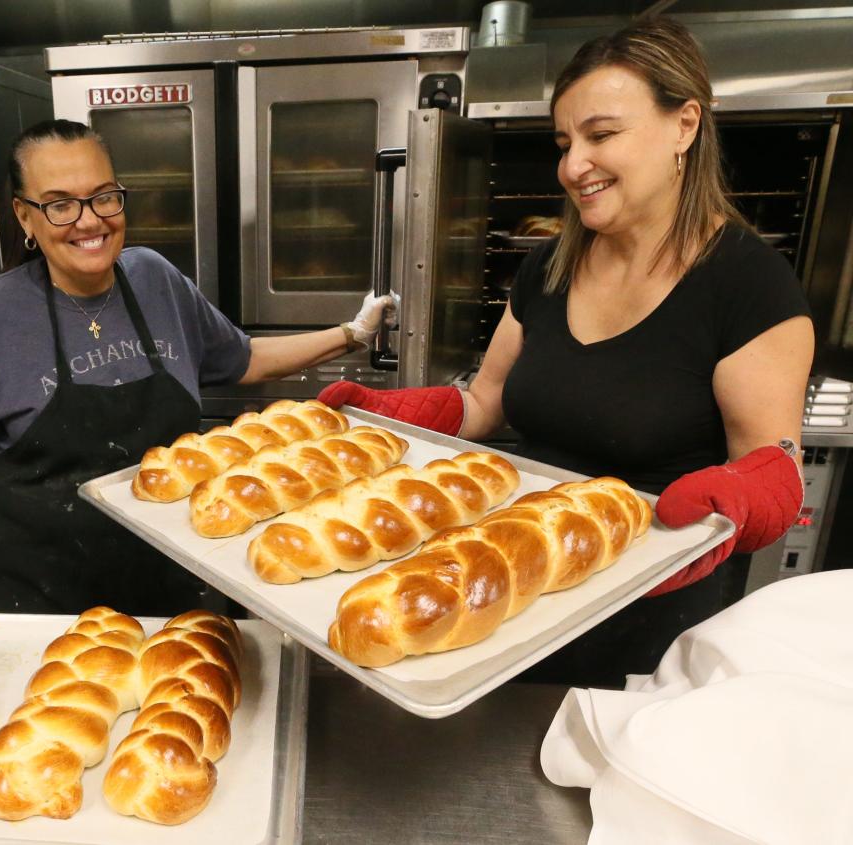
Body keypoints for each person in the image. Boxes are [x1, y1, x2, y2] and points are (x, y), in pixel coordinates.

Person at [319, 17, 814, 685]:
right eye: (564, 141)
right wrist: (390, 412)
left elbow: (773, 463)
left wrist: (737, 499)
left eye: (601, 135)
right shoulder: (550, 266)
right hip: (515, 580)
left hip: (646, 615)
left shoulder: (750, 284)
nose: (572, 164)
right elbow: (485, 402)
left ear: (685, 127)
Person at [0, 119, 395, 616]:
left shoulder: (154, 279)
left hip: (162, 578)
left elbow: (246, 358)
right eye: (60, 204)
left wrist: (352, 334)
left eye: (104, 196)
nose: (89, 221)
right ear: (24, 217)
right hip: (34, 591)